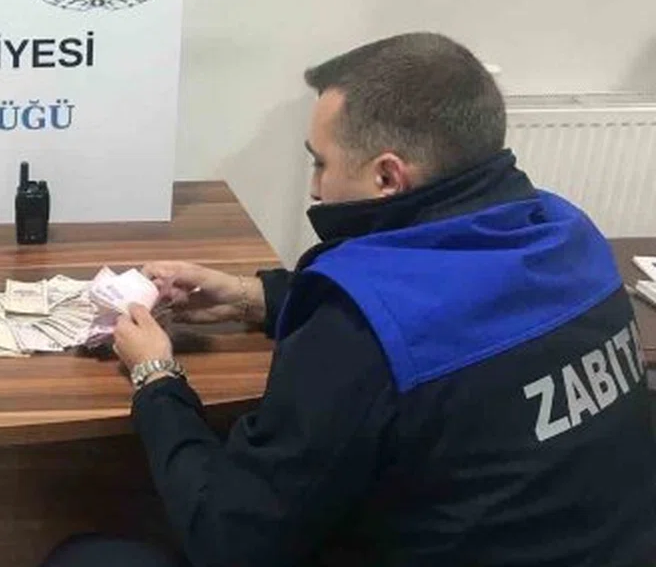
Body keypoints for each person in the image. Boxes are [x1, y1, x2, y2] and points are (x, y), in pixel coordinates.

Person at [41, 33, 656, 567]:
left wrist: (155, 377)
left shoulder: (357, 331)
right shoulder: (571, 236)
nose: (315, 187)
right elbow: (450, 308)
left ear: (387, 176)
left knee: (88, 557)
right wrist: (252, 297)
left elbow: (229, 540)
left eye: (321, 164)